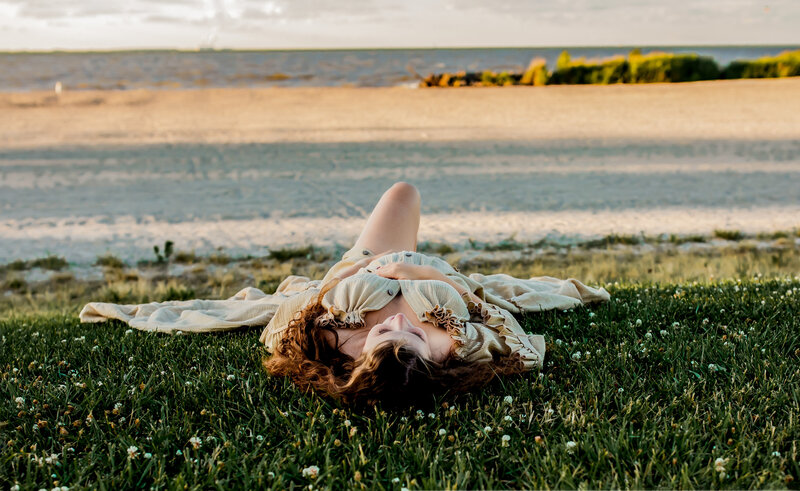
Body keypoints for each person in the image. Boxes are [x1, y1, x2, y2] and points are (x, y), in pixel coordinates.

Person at [262, 182, 548, 408]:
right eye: (417, 334)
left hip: (370, 258)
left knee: (402, 191)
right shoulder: (455, 347)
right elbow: (519, 342)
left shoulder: (336, 343)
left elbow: (280, 325)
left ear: (360, 359)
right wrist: (431, 277)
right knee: (406, 191)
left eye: (383, 331)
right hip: (431, 268)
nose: (399, 321)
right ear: (433, 364)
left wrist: (349, 274)